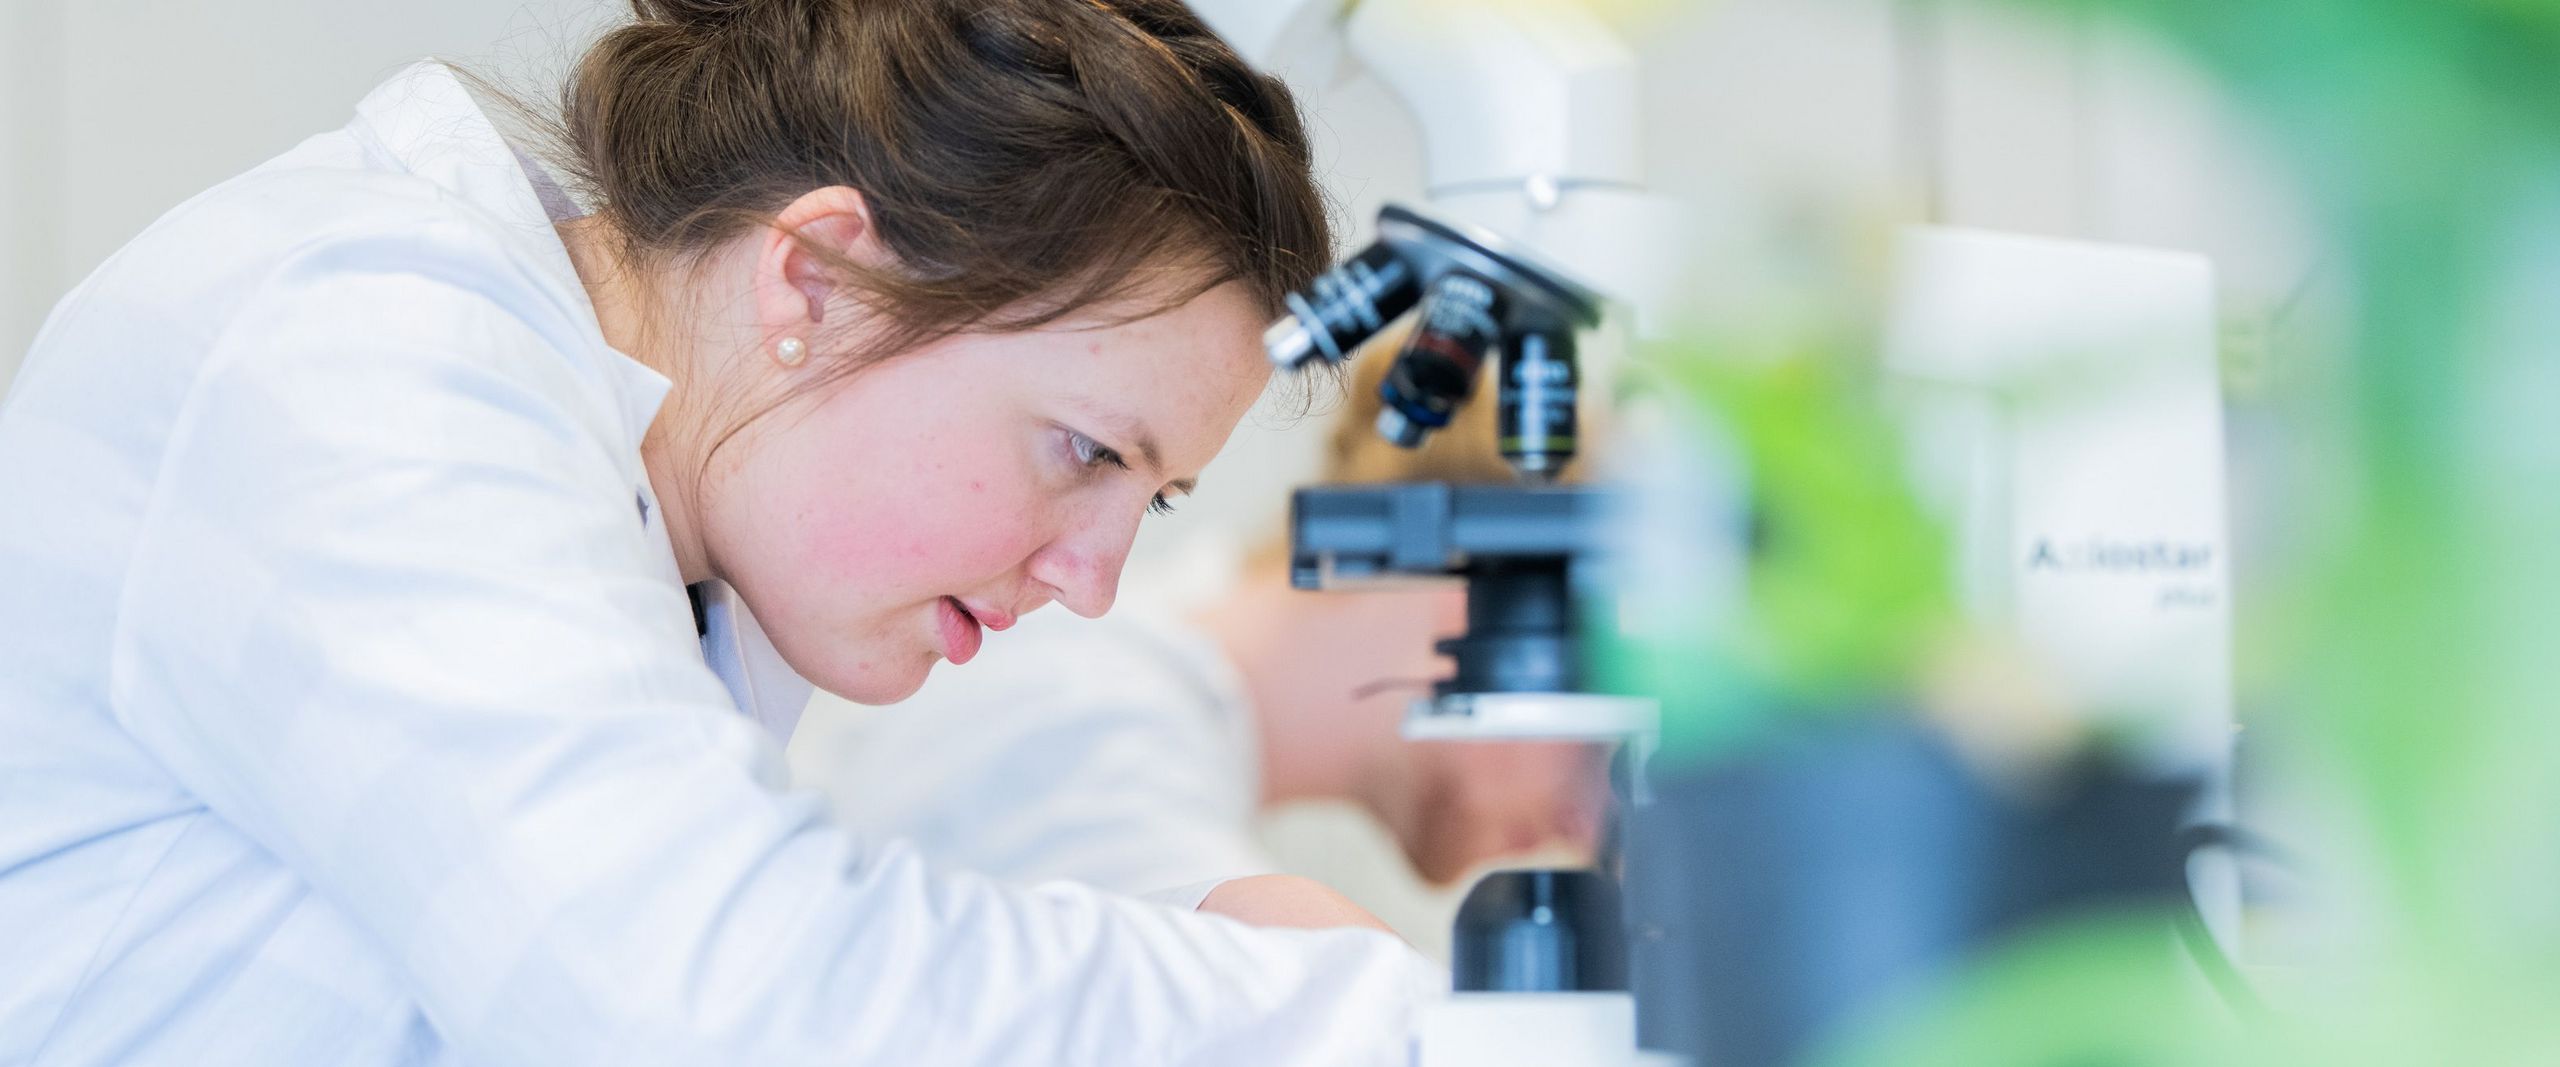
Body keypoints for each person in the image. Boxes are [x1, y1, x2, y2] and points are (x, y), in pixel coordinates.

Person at [0, 2, 1442, 1064]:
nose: (1094, 577)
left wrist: (1209, 929)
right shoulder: (354, 345)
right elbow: (696, 989)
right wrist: (1375, 1019)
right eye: (1085, 450)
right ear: (813, 278)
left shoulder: (673, 544)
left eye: (1153, 497)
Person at [789, 344, 1615, 905]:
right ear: (1482, 612)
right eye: (1596, 749)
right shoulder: (1085, 717)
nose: (1587, 827)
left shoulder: (1160, 724)